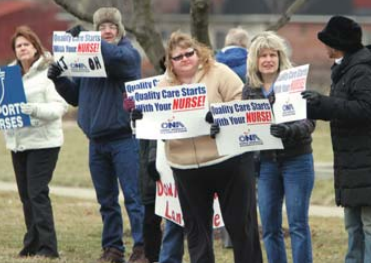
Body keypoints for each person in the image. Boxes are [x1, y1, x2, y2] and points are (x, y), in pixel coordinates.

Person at [146, 31, 262, 263]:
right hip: (185, 166)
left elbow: (241, 101)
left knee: (240, 226)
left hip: (227, 161)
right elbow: (153, 121)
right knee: (196, 231)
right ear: (170, 62)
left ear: (198, 53)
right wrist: (141, 116)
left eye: (190, 53)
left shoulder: (219, 72)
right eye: (178, 57)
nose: (185, 58)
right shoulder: (162, 86)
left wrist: (219, 117)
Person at [47, 7, 146, 263]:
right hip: (96, 142)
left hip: (125, 139)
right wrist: (59, 79)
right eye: (101, 27)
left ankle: (144, 249)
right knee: (107, 201)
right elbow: (76, 97)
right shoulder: (87, 61)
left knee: (133, 198)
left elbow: (112, 56)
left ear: (119, 29)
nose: (107, 31)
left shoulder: (128, 55)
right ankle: (113, 250)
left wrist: (89, 41)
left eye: (111, 26)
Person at [302, 16, 371, 263]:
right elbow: (340, 109)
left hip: (364, 160)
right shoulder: (345, 68)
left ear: (337, 43)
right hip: (351, 161)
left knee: (367, 225)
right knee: (353, 225)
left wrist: (324, 102)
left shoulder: (362, 70)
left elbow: (364, 109)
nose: (324, 46)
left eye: (327, 41)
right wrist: (310, 106)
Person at [243, 31, 315, 263]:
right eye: (262, 55)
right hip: (266, 164)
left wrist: (289, 130)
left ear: (279, 57)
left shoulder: (295, 84)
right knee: (270, 227)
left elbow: (309, 121)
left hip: (297, 160)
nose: (268, 60)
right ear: (255, 60)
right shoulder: (249, 90)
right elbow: (243, 124)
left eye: (272, 54)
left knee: (297, 224)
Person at [4, 25, 68, 258]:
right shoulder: (9, 76)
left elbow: (61, 106)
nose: (22, 49)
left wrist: (33, 109)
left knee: (37, 192)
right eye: (18, 46)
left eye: (26, 44)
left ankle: (48, 248)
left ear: (35, 47)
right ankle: (32, 243)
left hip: (44, 143)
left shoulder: (48, 72)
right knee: (25, 196)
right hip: (18, 143)